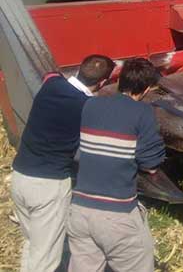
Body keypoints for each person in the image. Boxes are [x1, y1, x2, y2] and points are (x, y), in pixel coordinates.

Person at [10, 54, 115, 272]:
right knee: (45, 259)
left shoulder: (51, 84)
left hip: (20, 177)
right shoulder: (88, 107)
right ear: (103, 82)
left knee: (33, 244)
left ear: (78, 68)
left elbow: (50, 73)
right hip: (49, 186)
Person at [67, 58, 165, 272]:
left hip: (79, 210)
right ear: (146, 88)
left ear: (119, 80)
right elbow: (150, 164)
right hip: (117, 214)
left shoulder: (90, 104)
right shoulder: (143, 113)